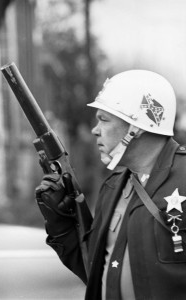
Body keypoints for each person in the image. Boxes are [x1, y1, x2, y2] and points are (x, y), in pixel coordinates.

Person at [36, 70, 186, 300]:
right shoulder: (113, 186)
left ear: (137, 127)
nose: (95, 130)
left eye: (104, 120)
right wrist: (61, 224)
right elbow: (94, 271)